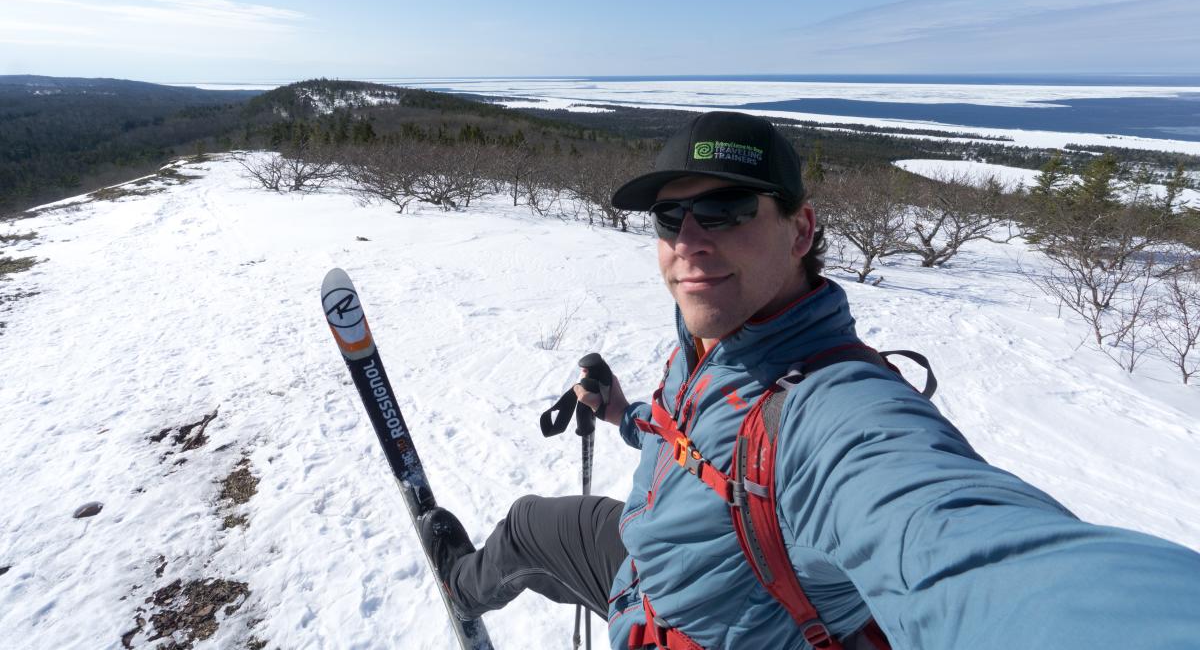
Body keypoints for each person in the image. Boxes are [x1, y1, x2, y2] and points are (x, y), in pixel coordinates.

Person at [420, 111, 1200, 649]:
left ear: (800, 228)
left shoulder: (837, 414)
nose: (689, 240)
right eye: (670, 218)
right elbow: (698, 438)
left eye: (724, 210)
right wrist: (627, 414)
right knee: (526, 525)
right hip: (642, 570)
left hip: (697, 626)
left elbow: (968, 550)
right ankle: (467, 583)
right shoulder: (714, 333)